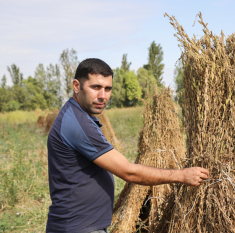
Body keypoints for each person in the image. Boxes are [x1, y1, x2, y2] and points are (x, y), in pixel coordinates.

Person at [46, 58, 209, 233]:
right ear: (76, 86)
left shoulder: (78, 115)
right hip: (77, 228)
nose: (103, 95)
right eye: (95, 87)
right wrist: (181, 175)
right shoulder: (78, 124)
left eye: (108, 89)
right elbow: (128, 171)